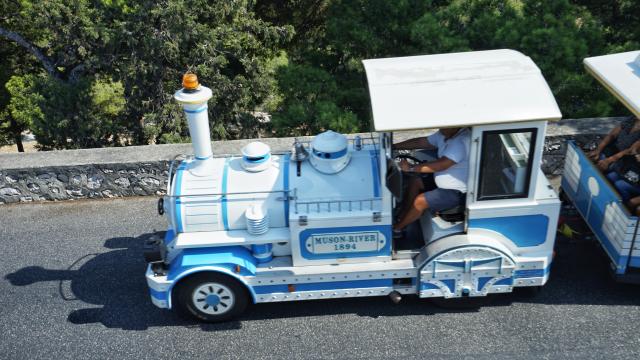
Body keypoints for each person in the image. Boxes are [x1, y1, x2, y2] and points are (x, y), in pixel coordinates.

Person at [393, 127, 471, 232]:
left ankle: (397, 228)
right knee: (415, 181)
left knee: (420, 201)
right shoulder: (445, 133)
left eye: (443, 127)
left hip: (457, 192)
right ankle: (403, 215)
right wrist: (394, 146)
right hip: (442, 181)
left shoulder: (461, 141)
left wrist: (411, 168)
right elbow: (421, 142)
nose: (440, 129)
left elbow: (442, 164)